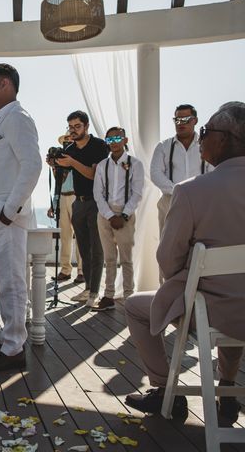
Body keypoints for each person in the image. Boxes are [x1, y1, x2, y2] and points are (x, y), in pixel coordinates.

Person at [124, 102, 245, 426]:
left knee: (136, 306)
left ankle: (166, 390)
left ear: (226, 138)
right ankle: (229, 389)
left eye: (205, 131)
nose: (202, 137)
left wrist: (186, 276)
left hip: (211, 314)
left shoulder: (192, 191)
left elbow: (167, 259)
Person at [0, 63, 42, 372]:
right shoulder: (0, 120)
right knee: (3, 280)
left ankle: (14, 348)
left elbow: (32, 165)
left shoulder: (19, 118)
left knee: (13, 280)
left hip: (7, 216)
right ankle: (8, 338)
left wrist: (8, 210)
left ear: (4, 85)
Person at [150, 104, 212, 283]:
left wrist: (194, 193)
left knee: (199, 246)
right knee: (167, 248)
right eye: (177, 119)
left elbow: (212, 171)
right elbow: (155, 173)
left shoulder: (205, 145)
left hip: (201, 203)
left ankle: (195, 288)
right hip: (169, 201)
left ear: (195, 120)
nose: (180, 123)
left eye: (185, 119)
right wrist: (177, 191)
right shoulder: (164, 146)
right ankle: (166, 290)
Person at [53, 111, 109, 308]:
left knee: (96, 248)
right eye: (71, 126)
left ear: (86, 126)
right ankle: (87, 289)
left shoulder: (99, 146)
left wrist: (72, 162)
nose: (73, 130)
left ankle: (95, 292)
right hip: (78, 201)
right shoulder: (70, 147)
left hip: (97, 201)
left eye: (77, 126)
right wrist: (56, 164)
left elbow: (94, 174)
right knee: (84, 248)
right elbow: (64, 174)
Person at [91, 127, 144, 311]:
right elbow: (97, 193)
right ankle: (108, 296)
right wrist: (109, 215)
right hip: (105, 214)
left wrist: (124, 215)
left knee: (126, 258)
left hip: (125, 214)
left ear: (125, 139)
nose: (113, 142)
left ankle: (129, 295)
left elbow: (137, 193)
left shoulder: (135, 164)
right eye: (109, 139)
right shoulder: (101, 165)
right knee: (109, 258)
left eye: (117, 138)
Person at [47, 134, 83, 284]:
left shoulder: (78, 159)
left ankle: (82, 271)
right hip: (62, 196)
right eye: (65, 143)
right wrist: (53, 205)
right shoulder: (59, 163)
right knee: (65, 237)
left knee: (80, 236)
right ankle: (65, 269)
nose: (67, 145)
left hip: (76, 196)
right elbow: (58, 185)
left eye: (69, 142)